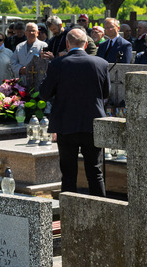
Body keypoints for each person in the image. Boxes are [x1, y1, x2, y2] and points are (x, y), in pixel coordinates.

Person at [38, 28, 108, 196]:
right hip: (93, 123)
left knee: (68, 173)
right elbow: (105, 94)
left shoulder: (57, 64)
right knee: (95, 172)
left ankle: (68, 215)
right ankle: (101, 213)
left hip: (66, 124)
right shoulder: (101, 63)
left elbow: (44, 93)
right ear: (86, 44)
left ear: (67, 44)